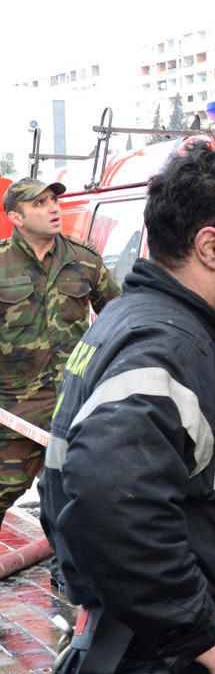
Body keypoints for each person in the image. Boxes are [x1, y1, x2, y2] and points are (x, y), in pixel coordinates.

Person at [39, 140, 215, 674]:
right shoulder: (170, 345)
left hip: (153, 668)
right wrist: (190, 627)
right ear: (210, 247)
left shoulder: (136, 320)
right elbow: (107, 492)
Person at [0, 178, 119, 529]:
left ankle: (68, 578)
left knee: (77, 500)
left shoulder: (83, 260)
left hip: (75, 406)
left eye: (54, 200)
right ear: (15, 218)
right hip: (14, 412)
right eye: (39, 204)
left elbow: (119, 317)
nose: (53, 208)